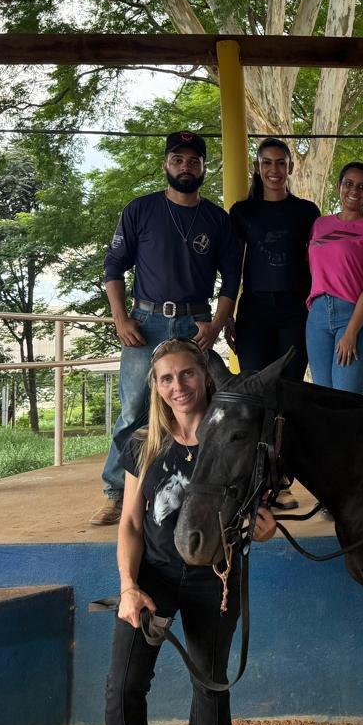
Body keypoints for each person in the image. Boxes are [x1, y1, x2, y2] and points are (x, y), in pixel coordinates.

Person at [104, 338, 276, 725]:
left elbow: (261, 509)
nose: (178, 386)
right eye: (166, 378)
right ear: (156, 386)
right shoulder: (144, 445)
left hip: (213, 578)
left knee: (211, 685)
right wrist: (129, 585)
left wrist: (266, 524)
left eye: (187, 374)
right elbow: (130, 523)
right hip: (154, 577)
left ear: (204, 376)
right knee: (123, 687)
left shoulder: (237, 435)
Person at [94, 131, 242, 527]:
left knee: (206, 405)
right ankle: (115, 493)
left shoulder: (216, 219)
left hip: (196, 324)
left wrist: (216, 323)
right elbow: (113, 268)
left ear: (203, 168)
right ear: (166, 164)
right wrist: (120, 318)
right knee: (134, 410)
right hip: (146, 322)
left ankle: (200, 484)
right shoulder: (140, 210)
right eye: (178, 159)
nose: (186, 166)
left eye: (194, 161)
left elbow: (231, 280)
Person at [227, 138, 320, 380]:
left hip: (296, 310)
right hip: (254, 311)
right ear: (257, 168)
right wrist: (226, 313)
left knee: (289, 388)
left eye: (281, 163)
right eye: (267, 163)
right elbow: (232, 266)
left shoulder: (307, 211)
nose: (274, 170)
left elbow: (318, 263)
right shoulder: (242, 211)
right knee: (254, 386)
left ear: (289, 168)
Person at [306, 161, 363, 394]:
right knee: (321, 398)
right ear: (339, 186)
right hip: (317, 315)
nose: (354, 191)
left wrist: (352, 331)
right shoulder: (320, 224)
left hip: (355, 314)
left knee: (346, 399)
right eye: (349, 184)